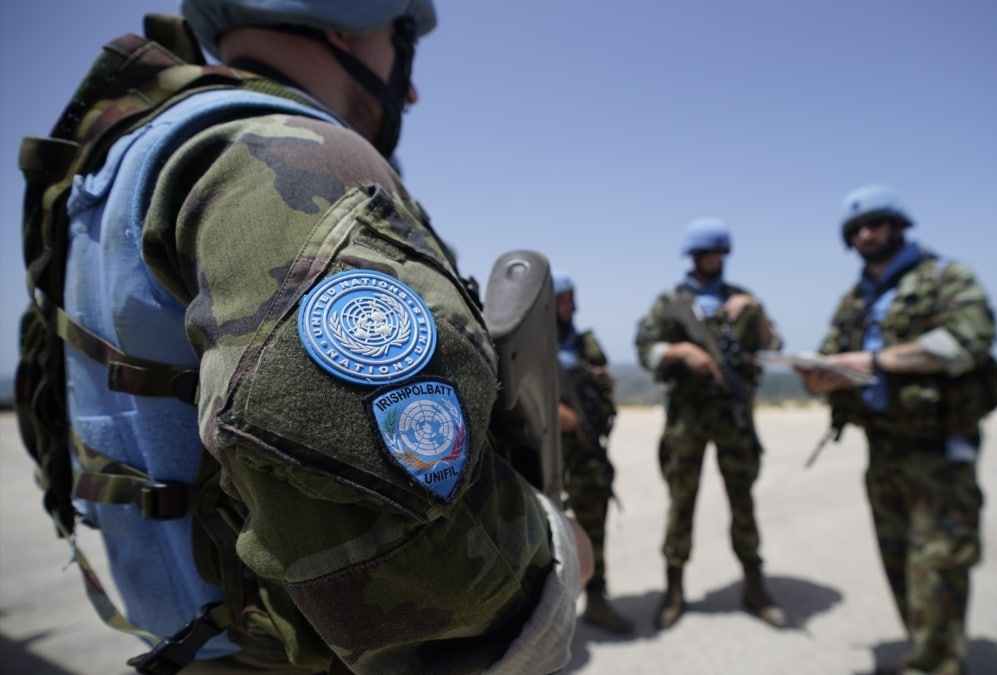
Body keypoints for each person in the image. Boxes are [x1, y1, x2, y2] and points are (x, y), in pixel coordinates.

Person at [16, 2, 589, 673]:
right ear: (346, 23)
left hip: (194, 645)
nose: (409, 87)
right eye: (398, 39)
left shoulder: (122, 166)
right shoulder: (289, 159)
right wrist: (561, 550)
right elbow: (426, 576)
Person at [795, 185, 997, 675]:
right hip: (882, 448)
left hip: (939, 450)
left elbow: (970, 338)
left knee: (940, 560)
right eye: (857, 230)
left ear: (899, 225)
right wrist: (820, 377)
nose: (866, 234)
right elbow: (829, 356)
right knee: (898, 559)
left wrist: (877, 360)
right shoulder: (855, 301)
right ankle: (925, 647)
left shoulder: (945, 277)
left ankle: (937, 663)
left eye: (876, 224)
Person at [633, 217, 787, 631]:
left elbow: (773, 345)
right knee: (681, 502)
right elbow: (645, 346)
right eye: (706, 252)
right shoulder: (672, 302)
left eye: (718, 252)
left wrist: (754, 310)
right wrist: (681, 351)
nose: (713, 259)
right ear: (694, 256)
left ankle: (754, 586)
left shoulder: (742, 300)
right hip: (687, 418)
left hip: (733, 416)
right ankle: (674, 589)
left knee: (743, 501)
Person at [553, 272, 635, 634]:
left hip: (584, 446)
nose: (567, 306)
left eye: (571, 299)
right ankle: (545, 614)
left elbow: (599, 380)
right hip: (541, 448)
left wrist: (600, 383)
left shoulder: (584, 342)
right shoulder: (525, 341)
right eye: (560, 300)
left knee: (593, 519)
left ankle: (597, 599)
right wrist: (551, 412)